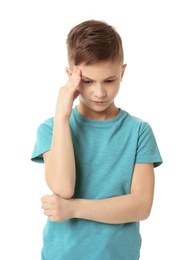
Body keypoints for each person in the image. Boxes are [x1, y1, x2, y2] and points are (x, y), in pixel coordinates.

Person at [31, 19, 163, 260]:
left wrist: (73, 209)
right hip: (62, 255)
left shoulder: (139, 132)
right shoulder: (51, 129)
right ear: (71, 76)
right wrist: (62, 115)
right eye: (88, 81)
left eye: (110, 80)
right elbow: (63, 187)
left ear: (122, 73)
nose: (100, 93)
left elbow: (141, 206)